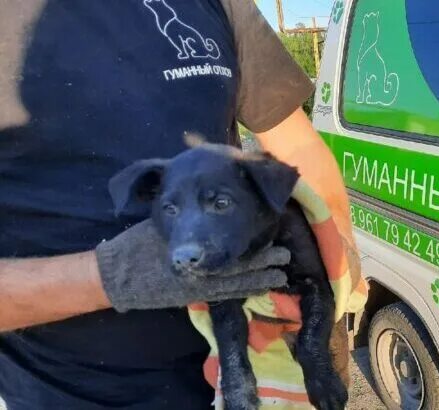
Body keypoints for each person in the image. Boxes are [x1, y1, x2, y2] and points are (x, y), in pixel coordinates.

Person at [0, 0, 354, 408]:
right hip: (76, 393)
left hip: (263, 375)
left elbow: (294, 141)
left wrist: (337, 265)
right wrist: (108, 278)